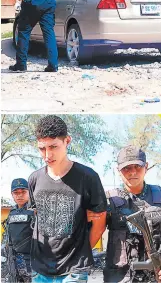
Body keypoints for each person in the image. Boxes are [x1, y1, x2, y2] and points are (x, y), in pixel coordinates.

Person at [28, 115, 107, 283]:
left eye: (53, 146)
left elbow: (99, 225)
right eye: (42, 148)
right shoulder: (34, 179)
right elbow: (36, 218)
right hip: (39, 270)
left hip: (73, 272)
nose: (47, 155)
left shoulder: (88, 177)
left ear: (67, 141)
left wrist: (80, 253)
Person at [100, 146, 161, 283]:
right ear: (118, 171)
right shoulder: (109, 200)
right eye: (126, 168)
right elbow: (93, 230)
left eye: (137, 167)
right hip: (120, 277)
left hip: (155, 276)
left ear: (146, 166)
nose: (132, 172)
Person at [2, 179, 34, 283]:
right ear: (12, 194)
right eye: (16, 193)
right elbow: (7, 236)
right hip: (13, 261)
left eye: (23, 192)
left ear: (29, 192)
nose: (19, 195)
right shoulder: (12, 213)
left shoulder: (36, 211)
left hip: (32, 263)